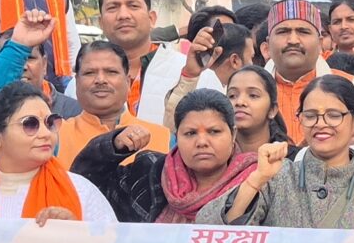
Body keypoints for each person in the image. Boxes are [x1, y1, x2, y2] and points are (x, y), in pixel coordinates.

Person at [203, 75, 354, 230]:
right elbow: (211, 229)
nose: (320, 124)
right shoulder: (276, 179)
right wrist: (256, 180)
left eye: (333, 115)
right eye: (310, 116)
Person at [0, 81, 117, 223]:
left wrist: (77, 233)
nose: (45, 133)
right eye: (30, 124)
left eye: (50, 123)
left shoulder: (81, 192)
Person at [63, 88, 253, 224]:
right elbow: (85, 187)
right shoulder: (149, 173)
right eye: (190, 133)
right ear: (177, 137)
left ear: (233, 134)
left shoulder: (255, 182)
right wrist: (112, 145)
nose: (202, 142)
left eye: (214, 132)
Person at [58, 40, 171, 166]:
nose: (100, 80)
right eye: (89, 73)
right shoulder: (55, 136)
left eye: (111, 72)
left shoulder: (163, 137)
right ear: (76, 82)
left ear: (128, 82)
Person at [263, 0, 337, 135]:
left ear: (320, 43)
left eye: (303, 32)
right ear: (267, 45)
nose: (293, 40)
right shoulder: (243, 93)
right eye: (283, 31)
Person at [223, 64, 288, 155]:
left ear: (272, 109)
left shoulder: (293, 159)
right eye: (232, 96)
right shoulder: (216, 158)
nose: (240, 102)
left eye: (253, 95)